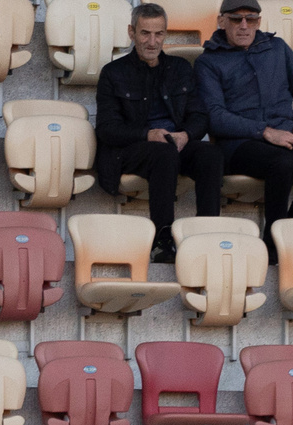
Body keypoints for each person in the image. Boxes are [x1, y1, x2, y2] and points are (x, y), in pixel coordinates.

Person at [92, 4, 225, 263]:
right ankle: (162, 239)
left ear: (165, 34)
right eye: (145, 33)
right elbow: (107, 129)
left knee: (210, 154)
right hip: (131, 149)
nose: (152, 42)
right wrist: (147, 134)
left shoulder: (181, 69)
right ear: (131, 32)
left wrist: (186, 135)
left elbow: (200, 116)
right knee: (163, 153)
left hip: (174, 143)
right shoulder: (113, 73)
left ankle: (207, 232)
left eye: (159, 34)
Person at [195, 0, 293, 255]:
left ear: (259, 21)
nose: (244, 26)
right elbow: (214, 116)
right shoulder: (208, 62)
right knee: (282, 163)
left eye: (251, 19)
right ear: (222, 22)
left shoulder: (277, 48)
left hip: (283, 138)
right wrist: (265, 131)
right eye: (236, 19)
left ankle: (286, 240)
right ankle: (271, 247)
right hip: (238, 145)